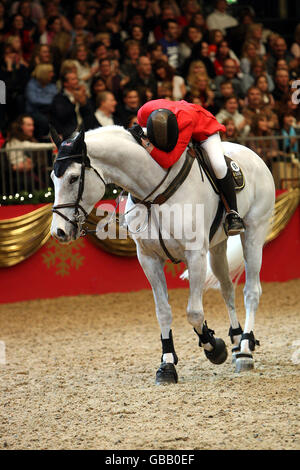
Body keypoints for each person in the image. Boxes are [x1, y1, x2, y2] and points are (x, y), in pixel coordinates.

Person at [129, 98, 245, 235]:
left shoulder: (185, 121)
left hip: (204, 132)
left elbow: (168, 161)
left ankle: (233, 213)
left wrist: (146, 143)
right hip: (173, 124)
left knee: (219, 166)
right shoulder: (143, 111)